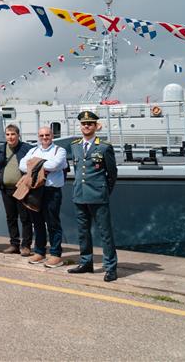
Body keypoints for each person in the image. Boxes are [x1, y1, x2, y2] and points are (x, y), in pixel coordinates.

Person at [68, 111, 119, 282]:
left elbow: (112, 174)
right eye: (83, 123)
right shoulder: (75, 145)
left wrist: (104, 191)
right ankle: (86, 262)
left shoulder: (104, 146)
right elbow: (77, 171)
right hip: (79, 195)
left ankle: (110, 267)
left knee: (105, 233)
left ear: (96, 126)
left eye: (90, 123)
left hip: (98, 195)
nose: (86, 126)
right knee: (83, 232)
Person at [19, 126, 69, 268]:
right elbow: (22, 165)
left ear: (52, 136)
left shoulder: (60, 151)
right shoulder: (33, 150)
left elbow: (55, 164)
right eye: (41, 135)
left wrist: (34, 164)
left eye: (47, 135)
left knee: (53, 223)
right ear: (38, 137)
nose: (44, 138)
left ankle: (55, 254)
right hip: (35, 191)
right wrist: (41, 165)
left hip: (51, 191)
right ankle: (40, 251)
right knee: (38, 222)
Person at [0, 124, 33, 256]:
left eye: (13, 134)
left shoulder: (27, 148)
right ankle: (14, 244)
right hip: (6, 189)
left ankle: (26, 245)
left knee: (25, 218)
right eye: (8, 134)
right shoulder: (1, 149)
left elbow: (33, 166)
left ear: (18, 135)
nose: (10, 137)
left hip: (22, 189)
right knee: (10, 217)